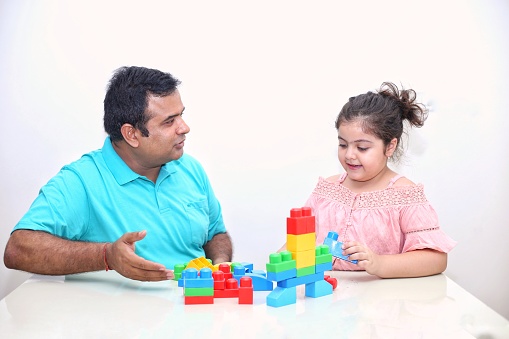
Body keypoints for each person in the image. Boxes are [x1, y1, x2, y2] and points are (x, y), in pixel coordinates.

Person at [4, 66, 232, 282]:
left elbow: (216, 234)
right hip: (118, 319)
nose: (184, 127)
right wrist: (106, 256)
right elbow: (18, 248)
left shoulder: (190, 169)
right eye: (169, 121)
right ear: (131, 134)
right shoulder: (81, 180)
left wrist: (221, 265)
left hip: (193, 313)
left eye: (181, 115)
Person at [284, 82, 456, 278]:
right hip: (326, 297)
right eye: (342, 144)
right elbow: (298, 242)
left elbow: (436, 259)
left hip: (383, 303)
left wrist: (380, 263)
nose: (349, 155)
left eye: (362, 148)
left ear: (390, 147)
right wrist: (282, 262)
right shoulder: (326, 191)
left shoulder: (405, 196)